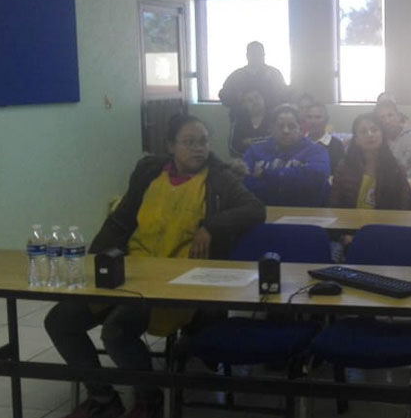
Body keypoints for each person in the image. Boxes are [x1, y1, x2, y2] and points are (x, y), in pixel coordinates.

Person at [44, 115, 266, 418]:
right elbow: (121, 219)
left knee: (116, 330)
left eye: (203, 141)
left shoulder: (219, 179)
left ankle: (149, 399)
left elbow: (255, 209)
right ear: (171, 146)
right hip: (131, 271)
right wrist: (95, 261)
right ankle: (103, 397)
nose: (198, 148)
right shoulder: (149, 172)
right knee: (59, 321)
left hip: (178, 282)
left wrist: (211, 226)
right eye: (189, 142)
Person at [243, 104, 331, 206]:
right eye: (280, 126)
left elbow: (315, 178)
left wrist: (265, 174)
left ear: (301, 129)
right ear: (271, 129)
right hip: (263, 210)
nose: (286, 131)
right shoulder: (255, 151)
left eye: (292, 126)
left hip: (304, 212)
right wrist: (291, 183)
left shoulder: (316, 151)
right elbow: (244, 183)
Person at [329, 113, 411, 210]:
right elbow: (334, 204)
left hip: (386, 218)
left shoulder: (395, 167)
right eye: (363, 132)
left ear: (382, 134)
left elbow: (404, 205)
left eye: (374, 130)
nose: (370, 134)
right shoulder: (344, 168)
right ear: (356, 140)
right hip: (350, 219)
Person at [218, 41, 287, 123]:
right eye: (253, 54)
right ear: (247, 56)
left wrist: (266, 101)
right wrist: (239, 98)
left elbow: (284, 96)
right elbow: (223, 95)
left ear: (264, 55)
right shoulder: (236, 76)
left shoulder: (274, 74)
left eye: (259, 54)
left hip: (269, 120)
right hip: (242, 120)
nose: (256, 57)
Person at [374, 99, 411, 178]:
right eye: (382, 117)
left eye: (390, 115)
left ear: (399, 117)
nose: (387, 121)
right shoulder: (374, 142)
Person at [303, 101, 345, 174]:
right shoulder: (299, 143)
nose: (313, 121)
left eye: (318, 117)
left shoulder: (337, 145)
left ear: (326, 120)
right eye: (309, 117)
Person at [228, 87, 268, 158]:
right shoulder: (239, 122)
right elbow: (233, 147)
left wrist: (249, 142)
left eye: (257, 98)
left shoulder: (274, 118)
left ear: (263, 99)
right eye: (250, 100)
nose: (255, 102)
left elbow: (278, 142)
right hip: (246, 160)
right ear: (244, 105)